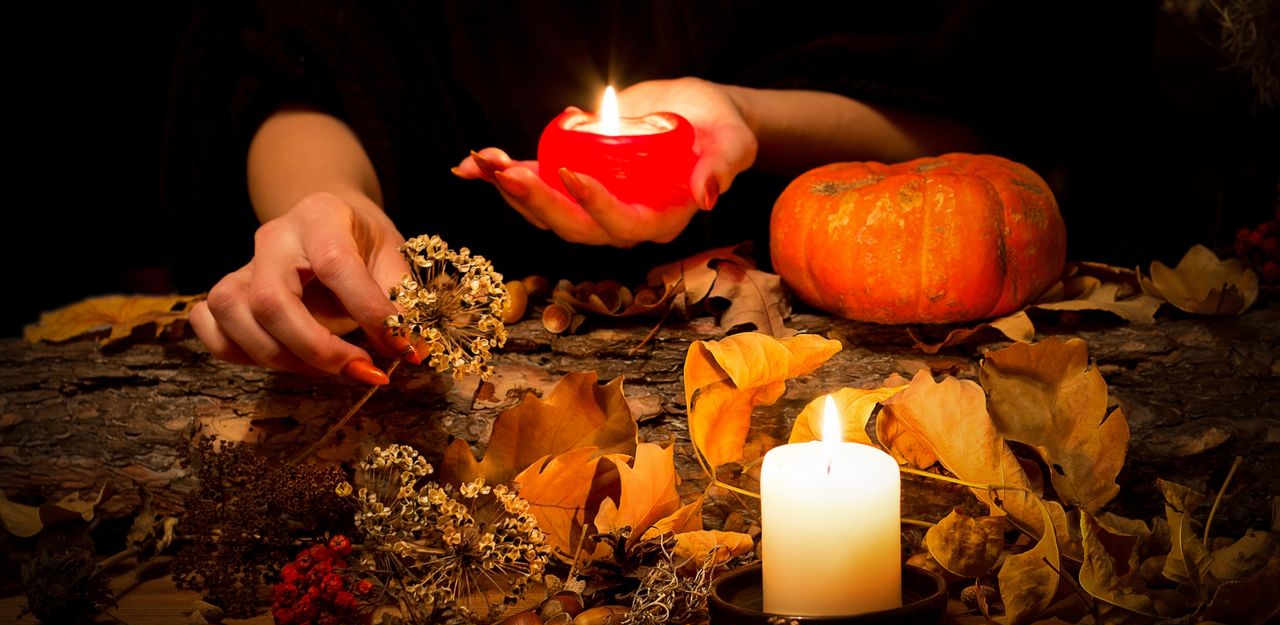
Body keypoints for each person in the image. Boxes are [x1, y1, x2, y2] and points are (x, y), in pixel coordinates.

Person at [168, 2, 1114, 383]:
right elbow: (303, 54)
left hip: (801, 319)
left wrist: (741, 118)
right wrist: (324, 203)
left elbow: (986, 129)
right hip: (447, 315)